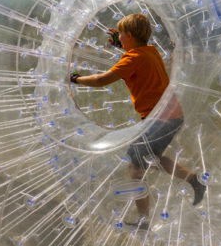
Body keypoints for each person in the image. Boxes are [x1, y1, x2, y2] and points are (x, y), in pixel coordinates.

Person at [69, 13, 205, 229]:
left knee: (135, 164)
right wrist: (119, 45)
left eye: (120, 35)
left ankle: (144, 220)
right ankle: (194, 181)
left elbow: (102, 79)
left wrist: (75, 79)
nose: (118, 38)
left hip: (161, 119)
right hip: (170, 116)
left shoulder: (132, 58)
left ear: (129, 36)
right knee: (152, 158)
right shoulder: (149, 52)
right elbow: (134, 56)